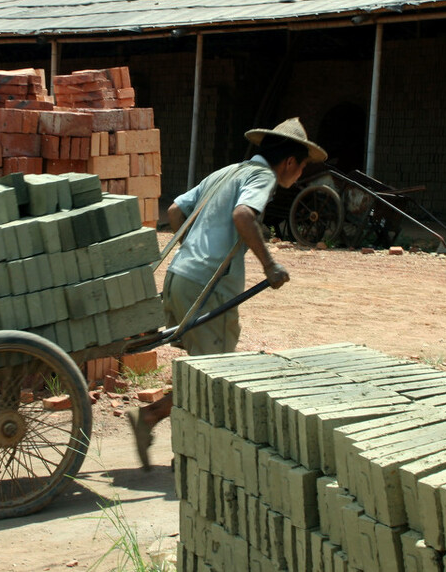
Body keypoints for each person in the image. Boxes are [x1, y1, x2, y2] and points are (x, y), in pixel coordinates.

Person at [127, 117, 327, 469]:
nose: (298, 178)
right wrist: (270, 266)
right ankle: (181, 447)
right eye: (301, 169)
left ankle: (158, 422)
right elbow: (243, 215)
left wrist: (194, 251)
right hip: (208, 288)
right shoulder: (262, 177)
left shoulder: (227, 172)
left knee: (205, 369)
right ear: (290, 162)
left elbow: (175, 210)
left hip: (179, 277)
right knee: (212, 375)